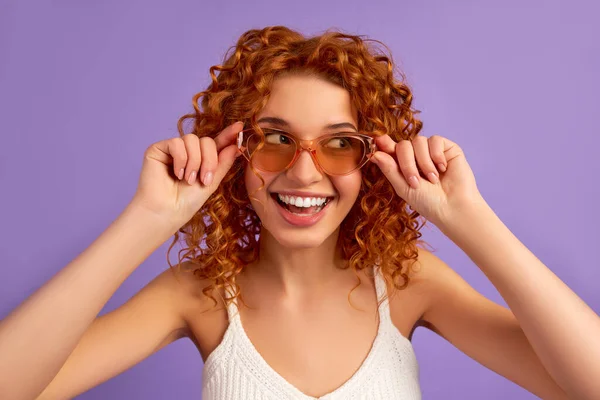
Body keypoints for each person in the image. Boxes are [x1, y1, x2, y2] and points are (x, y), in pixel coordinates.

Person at [0, 25, 598, 400]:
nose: (305, 172)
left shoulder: (409, 282)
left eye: (340, 144)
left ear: (374, 162)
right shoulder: (199, 294)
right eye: (274, 139)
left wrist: (467, 218)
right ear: (233, 152)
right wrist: (148, 219)